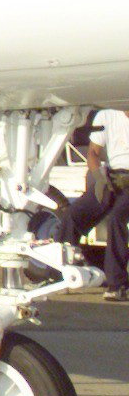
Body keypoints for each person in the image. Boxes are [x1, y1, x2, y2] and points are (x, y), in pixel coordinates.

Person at [56, 110, 129, 302]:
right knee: (74, 214)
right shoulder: (107, 115)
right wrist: (99, 178)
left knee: (117, 218)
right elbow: (93, 153)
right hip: (112, 176)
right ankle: (55, 272)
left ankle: (118, 285)